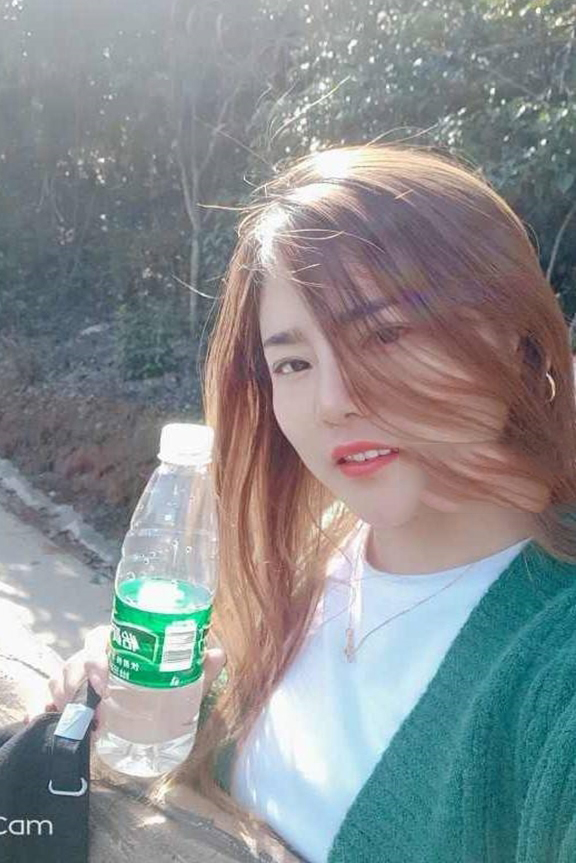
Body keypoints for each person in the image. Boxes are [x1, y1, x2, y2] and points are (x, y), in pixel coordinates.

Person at [40, 144, 576, 863]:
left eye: (385, 334)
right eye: (293, 362)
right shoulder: (315, 553)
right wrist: (157, 704)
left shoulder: (555, 666)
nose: (332, 401)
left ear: (513, 333)